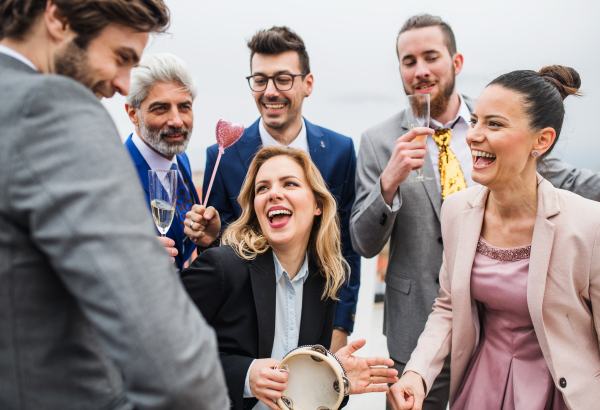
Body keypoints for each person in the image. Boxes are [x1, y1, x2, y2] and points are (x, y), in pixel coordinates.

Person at [350, 13, 600, 409]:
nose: (420, 70)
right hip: (418, 329)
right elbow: (363, 243)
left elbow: (569, 181)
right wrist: (389, 182)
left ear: (456, 62)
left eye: (430, 56)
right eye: (408, 61)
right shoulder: (378, 141)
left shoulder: (504, 127)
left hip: (528, 357)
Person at [0, 1, 228, 408]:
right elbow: (177, 371)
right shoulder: (52, 109)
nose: (124, 83)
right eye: (121, 57)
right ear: (56, 16)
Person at [182, 146, 398, 410]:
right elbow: (160, 347)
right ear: (256, 208)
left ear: (318, 205)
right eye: (262, 188)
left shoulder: (326, 280)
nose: (274, 193)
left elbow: (301, 393)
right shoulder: (222, 267)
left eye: (289, 183)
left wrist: (332, 379)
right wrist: (246, 375)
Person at [200, 26, 361, 352]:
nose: (270, 91)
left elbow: (346, 246)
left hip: (317, 318)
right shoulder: (222, 157)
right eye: (260, 80)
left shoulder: (340, 150)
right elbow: (216, 253)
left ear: (307, 84)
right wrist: (210, 233)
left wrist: (340, 324)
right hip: (246, 328)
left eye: (283, 79)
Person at [124, 53, 220, 270]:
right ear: (133, 113)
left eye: (184, 107)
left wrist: (209, 239)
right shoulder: (111, 177)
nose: (177, 121)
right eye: (160, 108)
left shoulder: (180, 157)